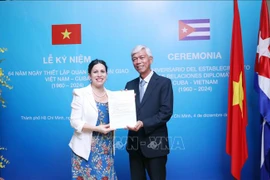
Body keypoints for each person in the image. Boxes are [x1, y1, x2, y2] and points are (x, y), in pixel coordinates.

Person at [125, 45, 174, 180]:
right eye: (134, 59)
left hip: (155, 145)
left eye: (142, 57)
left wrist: (143, 123)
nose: (138, 62)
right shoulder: (130, 85)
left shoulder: (164, 83)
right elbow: (127, 113)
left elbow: (166, 112)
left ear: (150, 59)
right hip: (134, 146)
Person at [68, 59, 117, 180]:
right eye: (95, 72)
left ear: (107, 74)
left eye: (102, 71)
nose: (99, 75)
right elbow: (74, 121)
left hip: (106, 151)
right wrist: (96, 128)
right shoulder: (80, 93)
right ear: (89, 75)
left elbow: (120, 117)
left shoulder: (113, 96)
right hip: (85, 151)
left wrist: (127, 99)